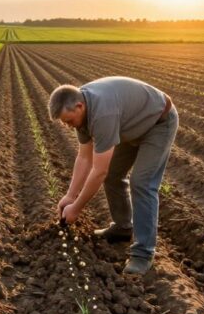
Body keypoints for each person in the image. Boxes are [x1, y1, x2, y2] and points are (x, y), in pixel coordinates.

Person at [49, 76, 178, 275]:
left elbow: (99, 171)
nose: (68, 125)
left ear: (79, 106)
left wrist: (77, 208)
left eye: (69, 121)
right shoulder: (81, 112)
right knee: (114, 174)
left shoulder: (102, 113)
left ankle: (143, 253)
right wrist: (70, 196)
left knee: (142, 183)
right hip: (129, 126)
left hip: (158, 123)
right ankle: (123, 227)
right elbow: (85, 158)